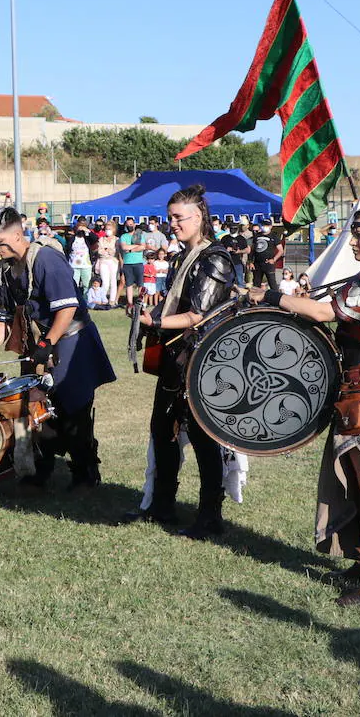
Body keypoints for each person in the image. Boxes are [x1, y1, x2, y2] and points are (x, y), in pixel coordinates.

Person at [250, 204, 360, 606]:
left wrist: (273, 296)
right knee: (358, 482)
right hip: (358, 388)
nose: (353, 240)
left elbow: (325, 312)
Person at [0, 207, 117, 490]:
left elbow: (68, 308)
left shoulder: (46, 259)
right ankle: (42, 469)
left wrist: (47, 344)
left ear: (16, 234)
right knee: (37, 410)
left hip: (72, 342)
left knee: (74, 412)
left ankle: (86, 473)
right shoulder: (5, 269)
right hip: (42, 345)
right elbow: (4, 319)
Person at [126, 185, 240, 537]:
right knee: (163, 433)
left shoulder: (215, 258)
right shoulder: (180, 257)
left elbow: (198, 316)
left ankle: (209, 517)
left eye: (178, 217)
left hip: (203, 362)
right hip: (175, 360)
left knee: (205, 441)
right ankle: (162, 506)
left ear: (199, 217)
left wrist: (155, 322)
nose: (172, 223)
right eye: (170, 216)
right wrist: (150, 314)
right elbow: (175, 306)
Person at [119, 220, 148, 305]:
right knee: (129, 284)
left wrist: (131, 249)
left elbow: (143, 247)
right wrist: (137, 246)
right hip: (127, 263)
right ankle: (130, 303)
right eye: (128, 225)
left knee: (140, 284)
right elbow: (124, 247)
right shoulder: (124, 236)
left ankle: (140, 302)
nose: (130, 226)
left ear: (135, 225)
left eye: (131, 224)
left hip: (138, 262)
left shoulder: (139, 235)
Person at [250, 220, 283, 290]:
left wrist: (274, 259)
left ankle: (275, 298)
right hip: (257, 263)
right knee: (256, 284)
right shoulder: (257, 236)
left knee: (272, 283)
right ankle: (255, 299)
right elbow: (252, 249)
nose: (265, 227)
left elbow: (280, 250)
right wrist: (250, 262)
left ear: (271, 226)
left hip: (268, 263)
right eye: (264, 225)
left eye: (267, 225)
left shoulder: (274, 237)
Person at [95, 221, 120, 307]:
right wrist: (107, 251)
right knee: (105, 282)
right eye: (106, 229)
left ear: (113, 229)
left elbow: (116, 252)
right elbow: (100, 251)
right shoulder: (101, 239)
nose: (107, 231)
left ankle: (112, 301)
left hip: (114, 262)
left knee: (113, 281)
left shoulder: (117, 240)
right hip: (103, 261)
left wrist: (109, 250)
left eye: (109, 229)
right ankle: (102, 299)